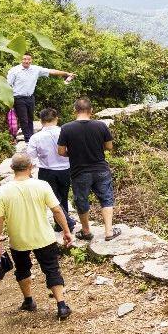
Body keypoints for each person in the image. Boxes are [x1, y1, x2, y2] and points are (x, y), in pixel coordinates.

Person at [0, 153, 75, 320]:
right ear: (30, 167)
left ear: (12, 168)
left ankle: (29, 301)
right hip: (44, 237)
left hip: (18, 239)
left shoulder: (2, 191)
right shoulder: (42, 185)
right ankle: (61, 305)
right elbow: (57, 210)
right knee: (51, 269)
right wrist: (66, 231)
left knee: (22, 269)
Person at [56, 97, 119, 240]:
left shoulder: (66, 128)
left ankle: (86, 231)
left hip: (79, 171)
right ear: (91, 110)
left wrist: (73, 154)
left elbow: (60, 151)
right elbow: (109, 146)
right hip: (100, 169)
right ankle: (109, 231)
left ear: (75, 110)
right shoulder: (101, 125)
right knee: (106, 198)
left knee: (82, 200)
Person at [27, 107, 76, 234]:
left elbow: (30, 157)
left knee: (52, 199)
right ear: (57, 119)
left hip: (46, 170)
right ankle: (62, 224)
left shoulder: (36, 137)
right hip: (66, 169)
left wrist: (30, 173)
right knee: (63, 197)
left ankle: (64, 223)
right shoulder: (65, 132)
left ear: (41, 121)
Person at [6, 53, 75, 144]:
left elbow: (51, 71)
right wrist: (9, 100)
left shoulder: (36, 69)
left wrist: (66, 73)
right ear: (21, 60)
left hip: (30, 97)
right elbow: (8, 85)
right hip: (18, 97)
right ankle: (28, 139)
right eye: (24, 59)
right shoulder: (14, 70)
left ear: (31, 60)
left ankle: (30, 137)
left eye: (28, 59)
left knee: (30, 118)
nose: (26, 61)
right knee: (23, 119)